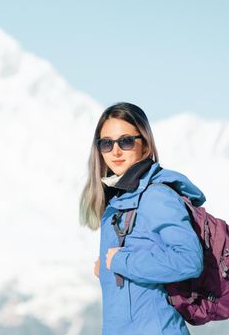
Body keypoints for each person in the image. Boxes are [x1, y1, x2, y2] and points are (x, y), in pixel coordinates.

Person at [79, 102, 205, 335]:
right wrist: (108, 270)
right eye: (106, 143)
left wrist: (120, 261)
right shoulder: (120, 200)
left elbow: (189, 260)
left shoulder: (156, 196)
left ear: (145, 146)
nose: (115, 151)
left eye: (125, 141)